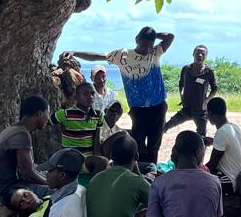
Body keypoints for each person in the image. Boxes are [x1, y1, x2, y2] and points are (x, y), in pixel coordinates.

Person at [74, 27, 174, 164]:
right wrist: (74, 53)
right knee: (138, 144)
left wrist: (153, 35)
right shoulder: (123, 55)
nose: (146, 49)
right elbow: (97, 56)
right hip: (138, 109)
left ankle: (151, 171)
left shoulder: (155, 52)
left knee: (154, 145)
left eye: (149, 45)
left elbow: (170, 37)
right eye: (144, 44)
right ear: (136, 40)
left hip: (158, 106)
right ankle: (139, 171)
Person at [86, 132, 152, 217]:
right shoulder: (137, 181)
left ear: (110, 156)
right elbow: (163, 206)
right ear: (137, 157)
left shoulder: (96, 178)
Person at [0, 95, 51, 206]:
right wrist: (51, 184)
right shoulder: (21, 134)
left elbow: (30, 168)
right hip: (10, 191)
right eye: (48, 113)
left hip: (10, 185)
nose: (48, 118)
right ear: (39, 113)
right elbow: (28, 174)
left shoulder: (14, 129)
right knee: (59, 193)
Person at [164, 45, 217, 137]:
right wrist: (181, 96)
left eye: (203, 54)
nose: (200, 55)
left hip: (200, 110)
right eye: (198, 53)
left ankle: (200, 150)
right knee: (167, 125)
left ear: (205, 57)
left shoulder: (209, 72)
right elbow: (181, 84)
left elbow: (214, 88)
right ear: (193, 54)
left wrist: (207, 100)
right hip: (186, 108)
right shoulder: (186, 69)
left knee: (201, 136)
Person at [53, 82, 103, 155]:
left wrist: (97, 160)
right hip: (70, 158)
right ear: (76, 97)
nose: (90, 97)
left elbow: (96, 142)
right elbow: (44, 121)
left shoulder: (98, 115)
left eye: (92, 94)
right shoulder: (65, 114)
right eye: (85, 94)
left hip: (88, 159)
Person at [206, 97, 241, 188]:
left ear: (210, 113)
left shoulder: (221, 132)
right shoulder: (234, 127)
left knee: (197, 180)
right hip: (237, 174)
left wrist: (197, 169)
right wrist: (214, 141)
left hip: (228, 179)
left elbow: (212, 165)